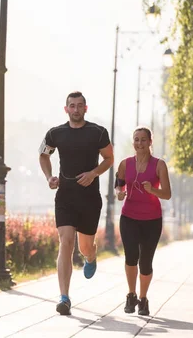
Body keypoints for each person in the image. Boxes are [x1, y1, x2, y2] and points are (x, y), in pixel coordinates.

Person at [39, 91, 114, 315]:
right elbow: (44, 155)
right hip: (65, 196)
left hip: (90, 197)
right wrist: (49, 177)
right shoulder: (55, 134)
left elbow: (109, 158)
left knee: (84, 246)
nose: (76, 109)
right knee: (66, 241)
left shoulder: (98, 133)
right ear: (66, 109)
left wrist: (93, 173)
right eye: (72, 106)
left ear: (85, 108)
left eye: (80, 106)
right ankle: (64, 297)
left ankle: (91, 256)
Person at [115, 127, 171, 316]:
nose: (139, 143)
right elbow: (119, 183)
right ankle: (131, 295)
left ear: (150, 142)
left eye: (143, 140)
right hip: (129, 217)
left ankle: (143, 298)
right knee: (131, 257)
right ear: (133, 143)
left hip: (151, 220)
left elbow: (168, 194)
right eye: (136, 140)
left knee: (145, 262)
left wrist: (153, 190)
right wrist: (119, 193)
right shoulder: (125, 163)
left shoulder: (159, 165)